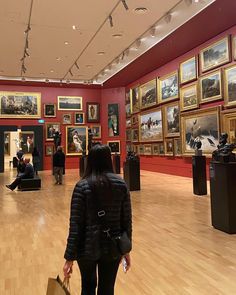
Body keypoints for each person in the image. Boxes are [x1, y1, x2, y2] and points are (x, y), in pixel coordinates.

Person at [63, 144, 132, 295]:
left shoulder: (81, 186)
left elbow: (75, 225)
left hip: (86, 247)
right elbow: (126, 220)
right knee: (107, 289)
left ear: (90, 161)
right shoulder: (121, 184)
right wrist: (125, 249)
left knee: (87, 287)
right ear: (109, 160)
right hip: (112, 246)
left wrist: (69, 257)